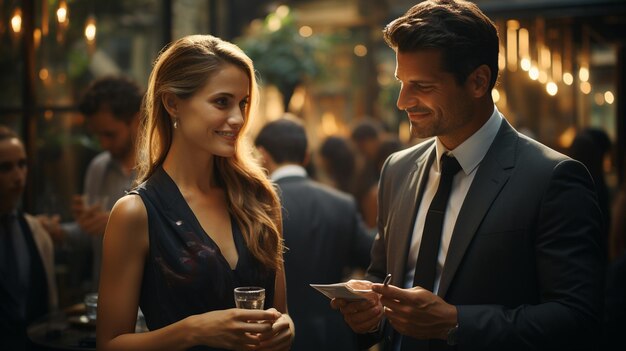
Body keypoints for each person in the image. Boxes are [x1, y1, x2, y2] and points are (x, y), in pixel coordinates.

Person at [331, 1, 604, 350]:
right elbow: (381, 278)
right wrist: (368, 314)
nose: (403, 101)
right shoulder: (397, 169)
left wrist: (457, 323)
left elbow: (578, 317)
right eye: (401, 82)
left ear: (478, 82)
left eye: (422, 86)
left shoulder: (553, 178)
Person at [97, 35, 294, 351]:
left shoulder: (259, 199)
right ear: (172, 103)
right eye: (221, 102)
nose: (239, 119)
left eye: (243, 103)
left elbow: (280, 313)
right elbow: (109, 345)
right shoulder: (136, 212)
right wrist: (191, 331)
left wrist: (286, 328)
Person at [255, 116, 374, 351]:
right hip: (336, 335)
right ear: (307, 156)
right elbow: (373, 260)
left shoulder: (256, 207)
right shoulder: (342, 204)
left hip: (276, 336)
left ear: (263, 156)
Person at [38, 76, 143, 292]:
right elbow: (91, 236)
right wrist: (60, 232)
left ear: (137, 120)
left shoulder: (162, 167)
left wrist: (118, 224)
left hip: (149, 297)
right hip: (104, 293)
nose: (103, 143)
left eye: (110, 134)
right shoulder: (98, 167)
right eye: (97, 135)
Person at [0, 125, 58, 350]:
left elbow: (49, 304)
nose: (18, 176)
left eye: (22, 164)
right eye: (5, 167)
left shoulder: (36, 232)